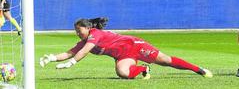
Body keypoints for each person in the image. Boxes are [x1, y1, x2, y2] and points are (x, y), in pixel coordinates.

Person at [40, 18, 213, 79]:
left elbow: (82, 53)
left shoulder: (95, 34)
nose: (77, 33)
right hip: (123, 55)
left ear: (87, 28)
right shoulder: (85, 40)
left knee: (167, 61)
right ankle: (143, 69)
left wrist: (71, 64)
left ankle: (199, 69)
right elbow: (71, 52)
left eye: (79, 30)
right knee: (122, 73)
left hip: (134, 46)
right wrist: (52, 58)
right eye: (76, 31)